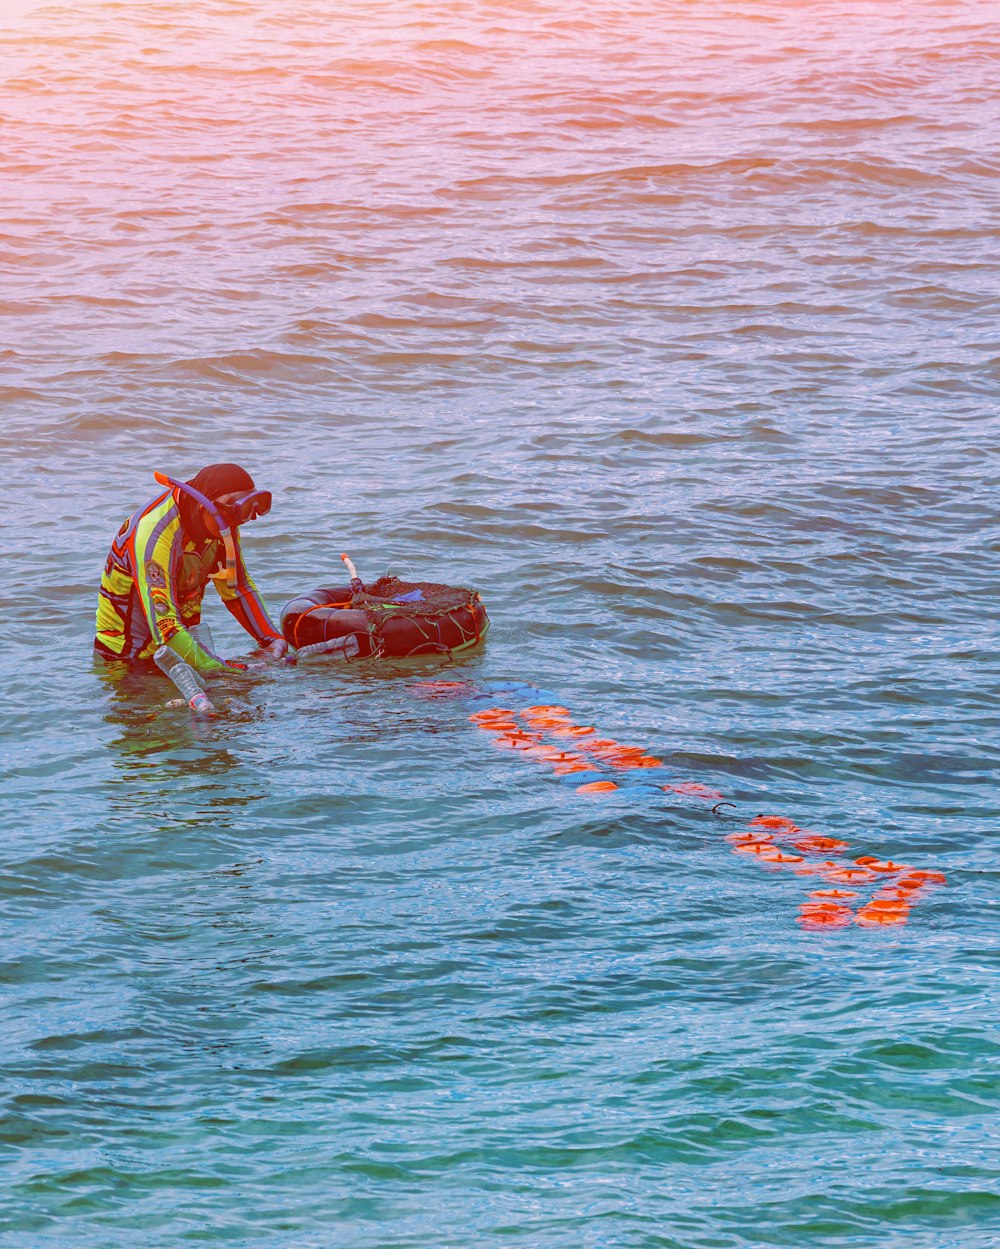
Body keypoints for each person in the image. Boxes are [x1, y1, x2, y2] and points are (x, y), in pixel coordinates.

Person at [94, 463, 288, 674]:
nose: (233, 529)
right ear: (206, 508)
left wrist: (273, 640)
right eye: (230, 521)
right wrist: (223, 669)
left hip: (181, 648)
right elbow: (166, 628)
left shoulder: (222, 523)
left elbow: (237, 589)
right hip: (128, 661)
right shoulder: (154, 535)